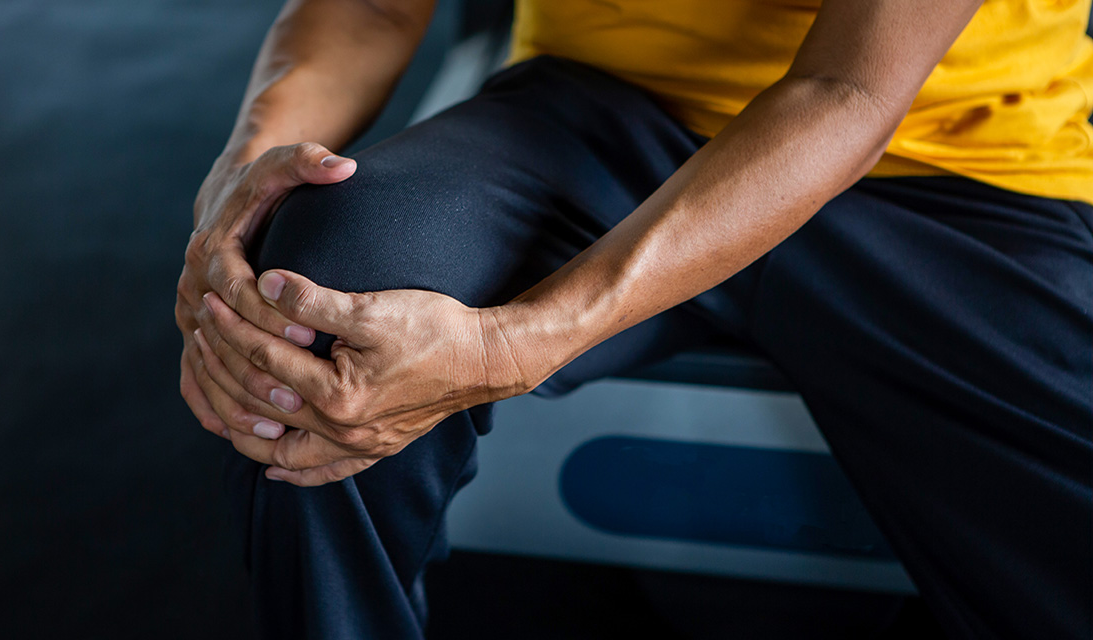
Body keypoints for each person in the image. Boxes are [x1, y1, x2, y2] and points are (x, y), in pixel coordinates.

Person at [174, 0, 1093, 637]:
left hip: (946, 163)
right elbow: (373, 7)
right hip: (593, 110)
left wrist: (515, 342)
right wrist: (241, 185)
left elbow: (846, 92)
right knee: (303, 329)